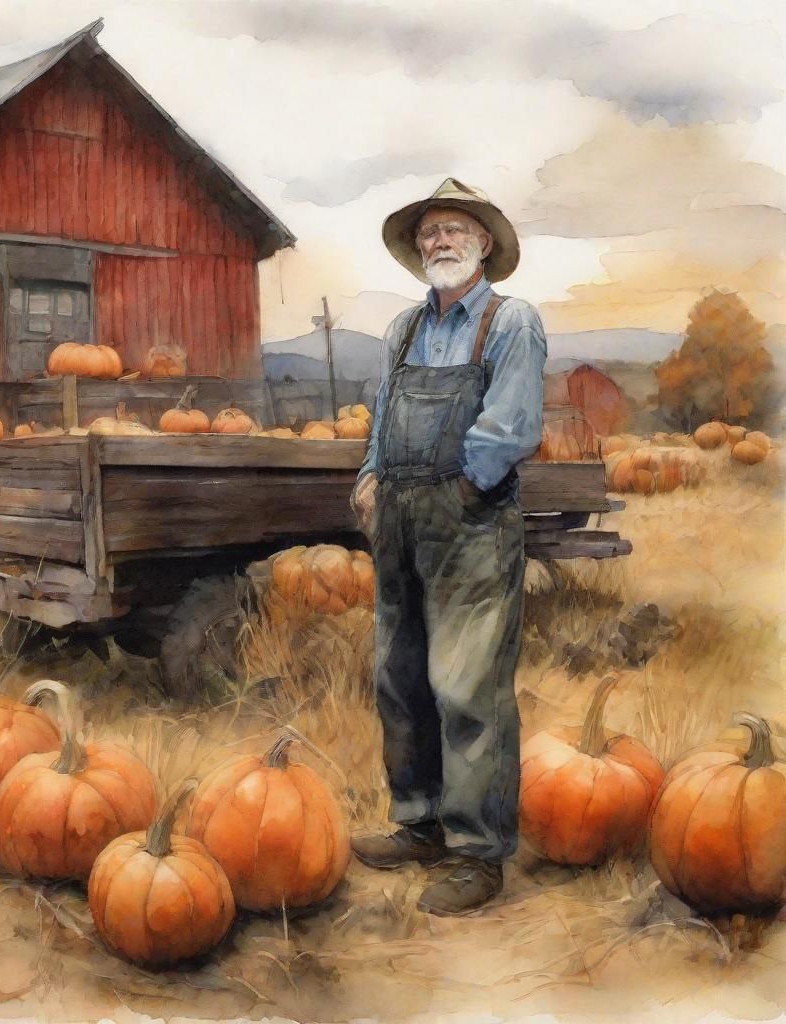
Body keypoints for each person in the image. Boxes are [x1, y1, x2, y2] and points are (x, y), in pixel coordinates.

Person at [350, 178, 547, 915]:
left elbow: (511, 427)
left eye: (454, 230)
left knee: (467, 686)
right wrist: (371, 479)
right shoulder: (403, 329)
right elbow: (381, 417)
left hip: (470, 521)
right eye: (429, 232)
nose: (439, 242)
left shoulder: (509, 321)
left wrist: (463, 488)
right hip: (397, 518)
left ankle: (476, 852)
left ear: (484, 243)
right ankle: (418, 823)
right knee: (399, 678)